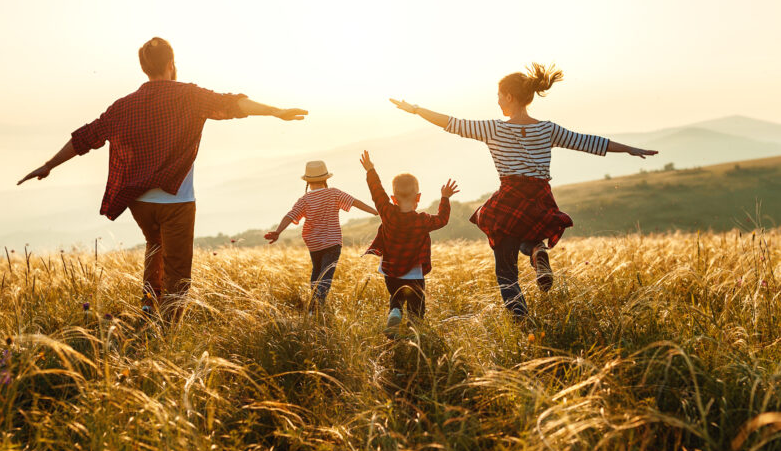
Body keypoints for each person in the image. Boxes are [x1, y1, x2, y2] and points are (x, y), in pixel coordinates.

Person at [18, 37, 308, 321]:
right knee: (178, 269)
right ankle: (168, 328)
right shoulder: (189, 96)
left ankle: (148, 308)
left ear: (145, 67)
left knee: (154, 246)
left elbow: (86, 137)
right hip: (177, 201)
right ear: (171, 63)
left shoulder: (123, 106)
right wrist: (276, 112)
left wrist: (48, 165)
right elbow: (233, 104)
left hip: (139, 203)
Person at [390, 63, 657, 318]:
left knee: (506, 273)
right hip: (540, 199)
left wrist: (415, 110)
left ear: (508, 96)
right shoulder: (547, 129)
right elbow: (587, 142)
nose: (497, 101)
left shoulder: (494, 129)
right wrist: (630, 149)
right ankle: (537, 251)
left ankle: (520, 318)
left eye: (498, 96)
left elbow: (452, 123)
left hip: (510, 197)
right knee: (528, 234)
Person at [359, 150, 458, 335]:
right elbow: (442, 219)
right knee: (416, 307)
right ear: (418, 198)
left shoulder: (387, 212)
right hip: (414, 274)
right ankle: (414, 333)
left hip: (391, 271)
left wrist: (370, 170)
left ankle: (395, 313)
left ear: (393, 198)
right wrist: (445, 198)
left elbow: (377, 192)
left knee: (395, 298)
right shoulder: (423, 220)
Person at [264, 160, 378, 310]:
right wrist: (375, 211)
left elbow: (290, 216)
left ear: (308, 181)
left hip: (314, 244)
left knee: (316, 273)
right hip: (332, 243)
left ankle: (313, 306)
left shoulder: (304, 200)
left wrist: (278, 232)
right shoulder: (334, 193)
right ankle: (317, 306)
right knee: (326, 276)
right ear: (325, 179)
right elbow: (354, 202)